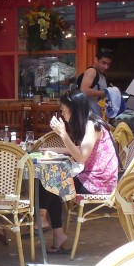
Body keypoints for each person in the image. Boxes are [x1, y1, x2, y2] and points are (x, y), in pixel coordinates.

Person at [38, 91, 119, 254]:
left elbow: (81, 157)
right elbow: (82, 150)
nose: (62, 114)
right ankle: (55, 232)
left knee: (49, 179)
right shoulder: (90, 123)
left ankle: (40, 217)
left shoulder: (92, 126)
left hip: (98, 182)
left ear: (74, 109)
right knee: (51, 180)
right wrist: (56, 149)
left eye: (63, 110)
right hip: (93, 177)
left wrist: (63, 134)